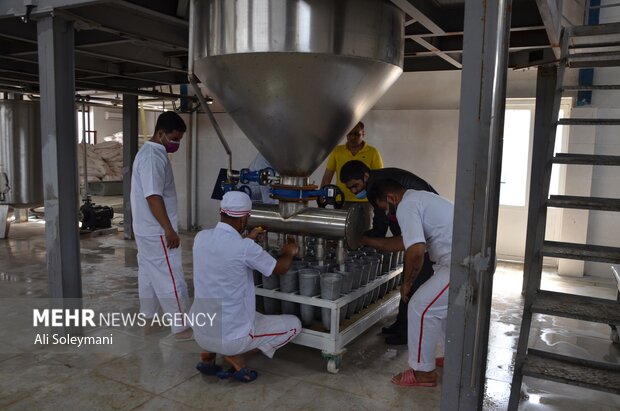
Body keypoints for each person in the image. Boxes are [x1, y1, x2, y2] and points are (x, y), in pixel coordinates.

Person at [191, 191, 301, 383]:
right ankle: (237, 355)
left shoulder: (200, 238)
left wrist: (248, 239)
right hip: (233, 338)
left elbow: (226, 252)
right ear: (243, 219)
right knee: (294, 325)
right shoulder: (245, 248)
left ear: (221, 212)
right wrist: (290, 252)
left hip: (200, 332)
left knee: (225, 308)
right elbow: (280, 268)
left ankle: (208, 355)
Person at [362, 179, 453, 387]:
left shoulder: (406, 205)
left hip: (459, 265)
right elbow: (405, 241)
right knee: (442, 309)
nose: (387, 214)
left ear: (392, 198)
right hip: (458, 261)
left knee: (420, 307)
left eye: (385, 207)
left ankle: (424, 374)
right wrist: (365, 240)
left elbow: (416, 250)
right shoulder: (418, 199)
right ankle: (452, 357)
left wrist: (407, 283)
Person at [340, 160, 438, 345]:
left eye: (355, 185)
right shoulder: (378, 184)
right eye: (349, 188)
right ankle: (400, 325)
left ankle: (407, 334)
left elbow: (387, 226)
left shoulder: (383, 188)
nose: (353, 191)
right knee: (407, 281)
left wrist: (365, 239)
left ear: (365, 176)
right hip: (421, 234)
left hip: (430, 241)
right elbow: (382, 221)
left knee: (414, 284)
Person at [130, 111, 192, 340]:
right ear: (160, 133)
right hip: (157, 231)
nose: (176, 143)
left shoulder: (148, 153)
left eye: (179, 139)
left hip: (144, 229)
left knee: (148, 274)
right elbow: (153, 197)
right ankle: (181, 328)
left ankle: (149, 320)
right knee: (170, 277)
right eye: (174, 138)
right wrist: (169, 229)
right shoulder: (153, 159)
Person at [320, 121, 383, 203]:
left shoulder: (373, 152)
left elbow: (379, 179)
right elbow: (327, 178)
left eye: (357, 134)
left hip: (366, 201)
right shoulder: (337, 151)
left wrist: (379, 200)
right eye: (350, 134)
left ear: (363, 133)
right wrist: (321, 197)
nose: (353, 137)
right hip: (341, 200)